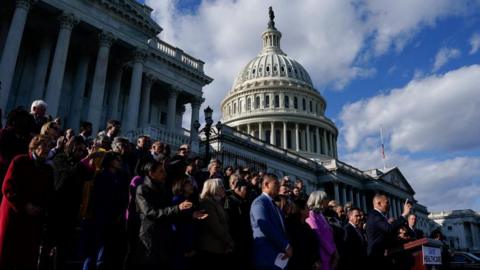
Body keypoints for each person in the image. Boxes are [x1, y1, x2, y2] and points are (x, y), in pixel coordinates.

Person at [0, 135, 54, 269]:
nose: (47, 149)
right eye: (44, 145)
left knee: (26, 258)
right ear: (35, 147)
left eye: (49, 146)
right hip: (14, 215)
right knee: (7, 255)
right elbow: (8, 187)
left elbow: (49, 193)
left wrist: (40, 207)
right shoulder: (20, 161)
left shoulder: (47, 169)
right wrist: (24, 205)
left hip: (33, 219)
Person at [250, 173, 292, 270]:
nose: (279, 186)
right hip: (267, 255)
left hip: (280, 257)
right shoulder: (259, 202)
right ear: (266, 184)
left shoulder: (274, 205)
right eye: (276, 183)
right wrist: (286, 246)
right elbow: (265, 226)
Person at [366, 194, 412, 270]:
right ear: (379, 203)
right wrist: (404, 215)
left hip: (383, 255)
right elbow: (388, 229)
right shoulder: (375, 215)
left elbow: (386, 234)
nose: (389, 205)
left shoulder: (380, 216)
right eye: (387, 202)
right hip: (376, 257)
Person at [197, 178, 234, 270]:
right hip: (211, 247)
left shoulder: (218, 202)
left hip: (220, 246)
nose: (224, 189)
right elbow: (215, 226)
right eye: (221, 187)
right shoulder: (207, 203)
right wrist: (229, 241)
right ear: (213, 188)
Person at [306, 190, 338, 270]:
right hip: (322, 256)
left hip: (329, 255)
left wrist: (335, 252)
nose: (328, 201)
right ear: (319, 200)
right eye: (326, 198)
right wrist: (332, 251)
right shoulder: (311, 214)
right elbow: (318, 235)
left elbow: (330, 235)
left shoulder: (321, 214)